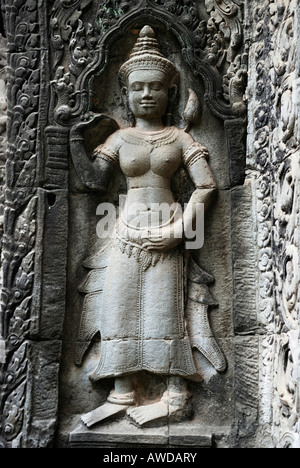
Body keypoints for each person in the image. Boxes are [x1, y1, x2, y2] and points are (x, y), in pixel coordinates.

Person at [70, 25, 225, 428]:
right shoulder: (120, 139)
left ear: (170, 92)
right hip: (124, 232)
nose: (146, 94)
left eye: (155, 86)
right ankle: (122, 392)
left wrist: (180, 231)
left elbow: (206, 185)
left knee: (166, 311)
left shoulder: (178, 138)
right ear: (127, 93)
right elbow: (92, 182)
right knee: (118, 306)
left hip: (169, 231)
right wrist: (71, 141)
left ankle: (176, 396)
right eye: (138, 87)